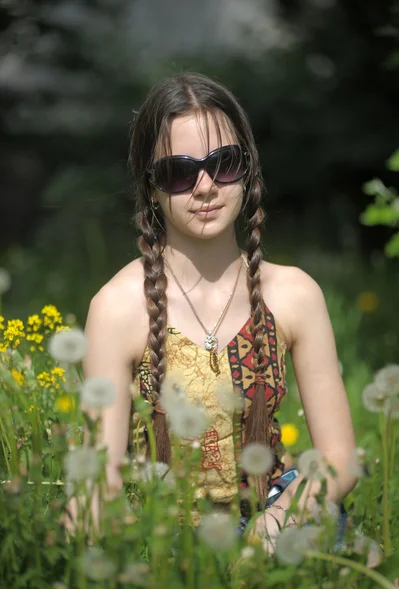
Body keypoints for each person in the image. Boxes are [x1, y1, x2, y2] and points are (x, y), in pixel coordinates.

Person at [83, 72, 357, 549]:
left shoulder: (295, 295)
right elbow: (100, 477)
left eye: (224, 163)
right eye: (179, 172)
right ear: (151, 188)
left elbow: (340, 457)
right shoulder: (116, 309)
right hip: (166, 535)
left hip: (281, 515)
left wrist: (274, 527)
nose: (205, 186)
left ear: (247, 168)